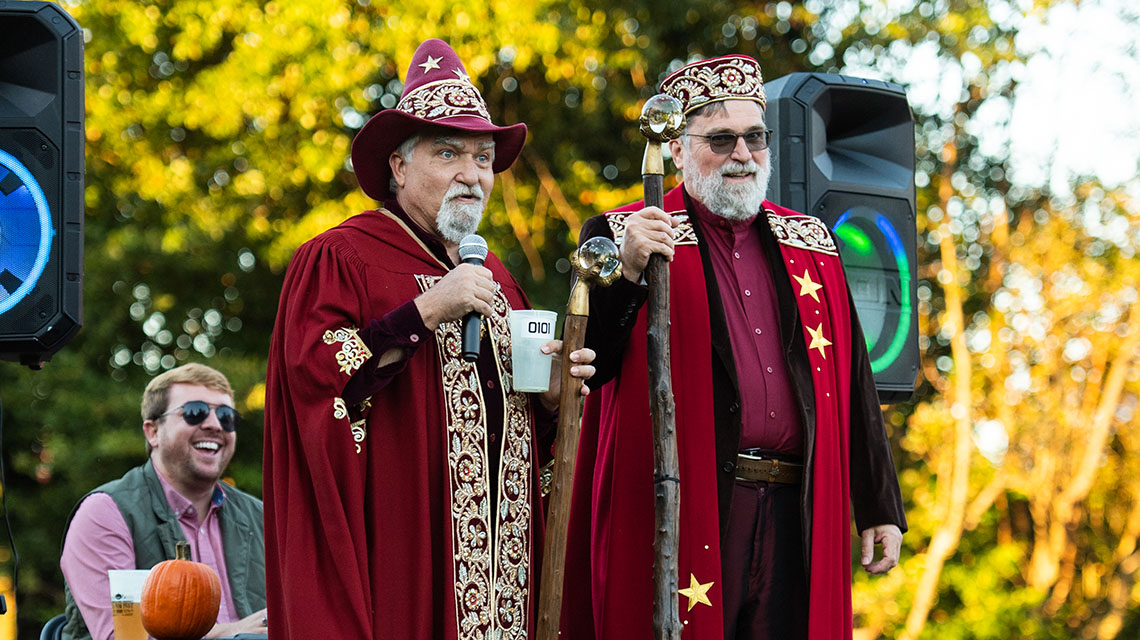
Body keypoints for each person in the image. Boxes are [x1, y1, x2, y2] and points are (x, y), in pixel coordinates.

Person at [561, 54, 907, 640]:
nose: (743, 155)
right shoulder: (623, 232)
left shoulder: (813, 243)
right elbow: (586, 369)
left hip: (796, 509)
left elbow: (853, 381)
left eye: (755, 137)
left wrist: (878, 504)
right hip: (686, 502)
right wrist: (627, 273)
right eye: (720, 139)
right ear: (677, 149)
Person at [263, 38, 595, 640]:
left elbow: (520, 441)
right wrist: (423, 312)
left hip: (506, 581)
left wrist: (551, 402)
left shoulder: (500, 280)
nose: (473, 175)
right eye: (449, 153)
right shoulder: (341, 258)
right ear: (398, 165)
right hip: (403, 566)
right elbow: (318, 386)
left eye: (484, 158)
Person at [59, 363, 267, 640]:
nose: (215, 425)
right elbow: (120, 637)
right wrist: (232, 633)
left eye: (227, 417)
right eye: (195, 412)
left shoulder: (261, 516)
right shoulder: (105, 513)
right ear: (152, 432)